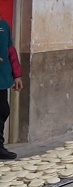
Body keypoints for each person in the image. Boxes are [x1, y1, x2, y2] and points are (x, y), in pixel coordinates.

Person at [0, 14, 21, 159]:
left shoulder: (4, 25)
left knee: (2, 111)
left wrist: (17, 75)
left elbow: (11, 51)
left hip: (2, 77)